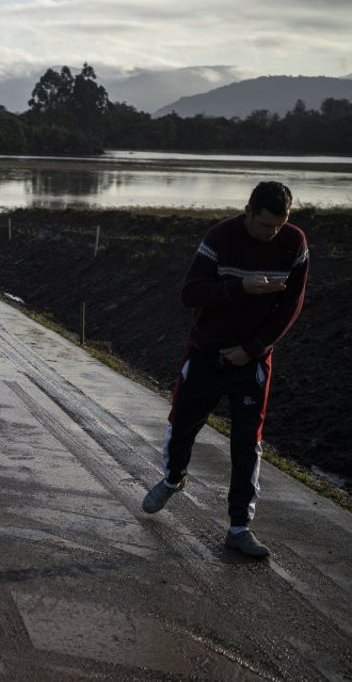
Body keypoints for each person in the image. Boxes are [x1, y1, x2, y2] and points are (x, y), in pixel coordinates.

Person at [141, 181, 309, 558]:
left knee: (248, 442)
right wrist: (240, 288)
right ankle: (172, 479)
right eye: (266, 225)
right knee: (183, 424)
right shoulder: (220, 236)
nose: (272, 234)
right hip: (205, 352)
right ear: (248, 210)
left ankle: (239, 527)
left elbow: (291, 306)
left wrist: (252, 349)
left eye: (279, 226)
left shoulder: (294, 243)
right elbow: (191, 293)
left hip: (251, 361)